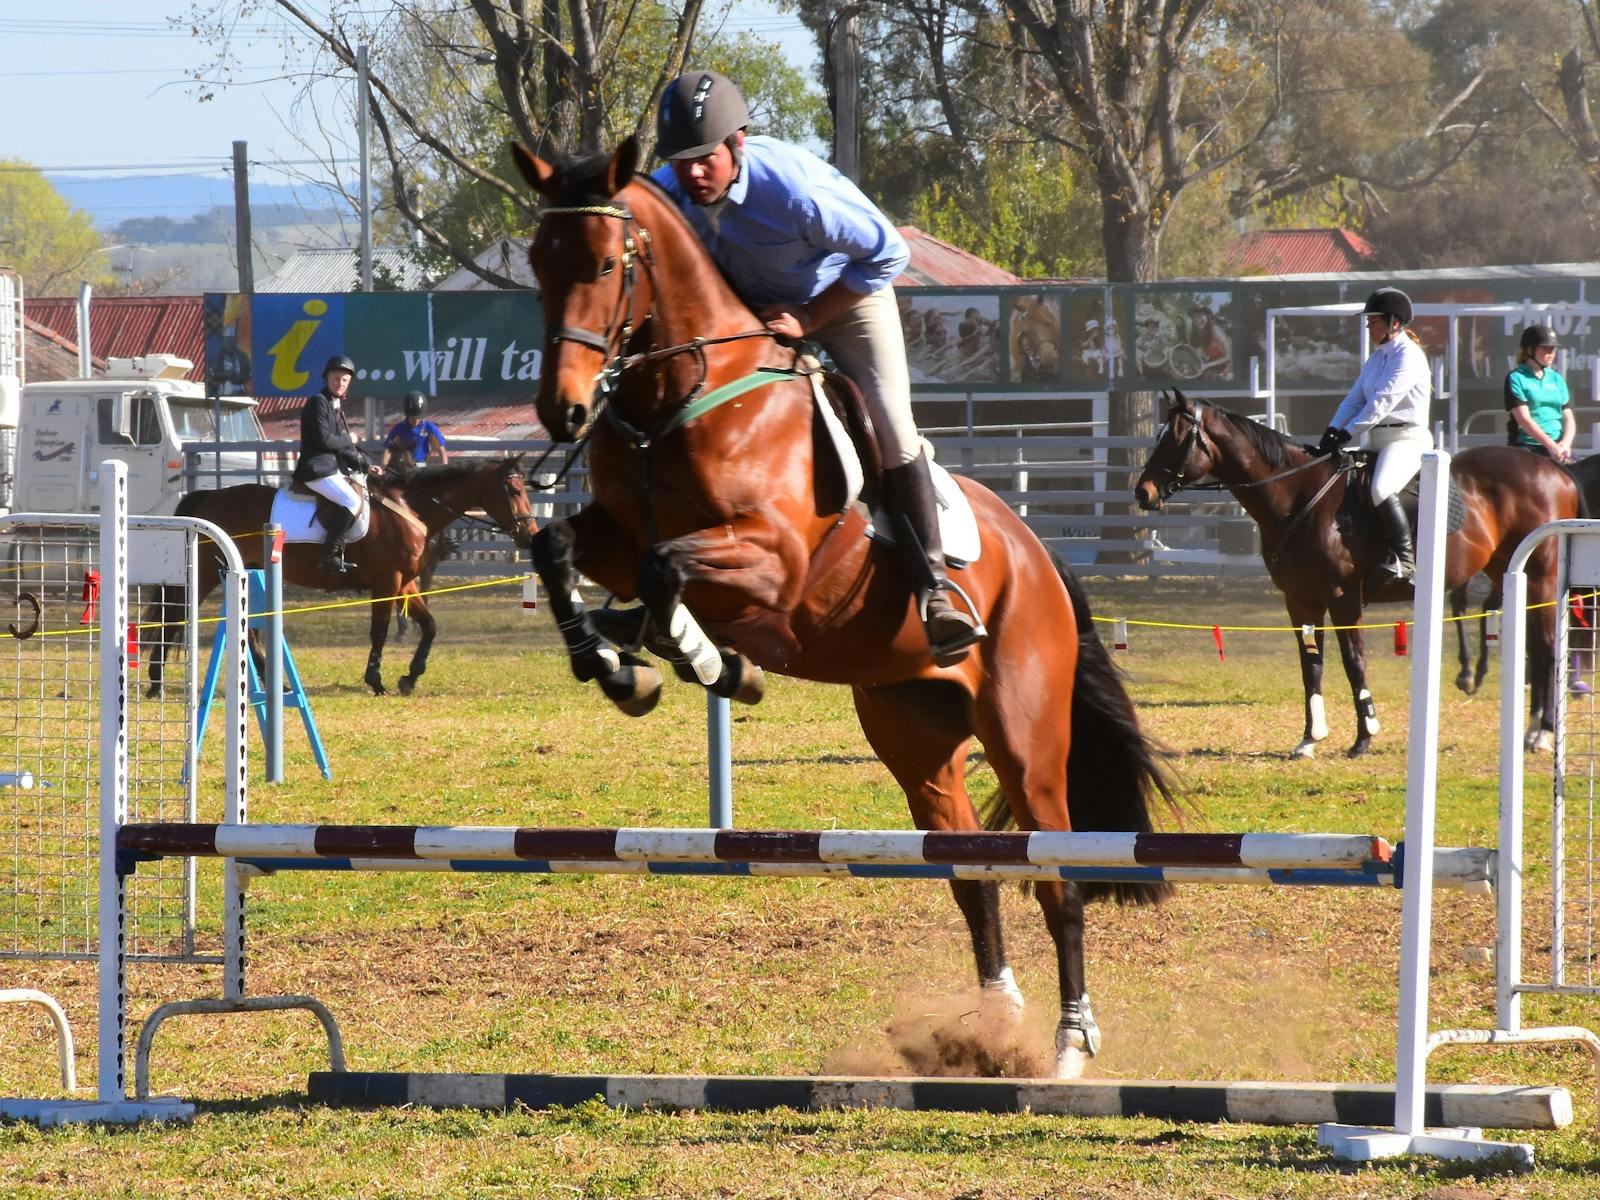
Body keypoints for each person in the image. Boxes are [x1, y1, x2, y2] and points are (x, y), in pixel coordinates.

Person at [651, 69, 982, 664]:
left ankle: (935, 588)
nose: (692, 172)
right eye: (680, 160)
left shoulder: (794, 191)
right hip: (754, 315)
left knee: (890, 423)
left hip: (844, 297)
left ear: (738, 144)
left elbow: (888, 253)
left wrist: (809, 317)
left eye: (704, 158)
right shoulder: (669, 189)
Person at [1316, 287, 1433, 583]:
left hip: (1406, 440)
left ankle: (1406, 562)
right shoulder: (1376, 359)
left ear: (1395, 322)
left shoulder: (1409, 357)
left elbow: (1381, 403)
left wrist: (1346, 433)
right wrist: (1331, 429)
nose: (1368, 327)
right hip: (1376, 439)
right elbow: (1354, 400)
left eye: (1374, 321)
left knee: (1380, 488)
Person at [292, 354, 382, 576]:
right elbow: (325, 440)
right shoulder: (317, 403)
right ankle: (329, 555)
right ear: (326, 378)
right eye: (336, 377)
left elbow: (342, 448)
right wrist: (349, 439)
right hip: (316, 470)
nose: (339, 382)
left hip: (331, 469)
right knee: (351, 499)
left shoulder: (335, 408)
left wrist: (366, 465)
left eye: (344, 379)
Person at [1505, 324, 1574, 463]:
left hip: (1559, 446)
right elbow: (1524, 419)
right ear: (1530, 350)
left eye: (1553, 349)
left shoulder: (1556, 378)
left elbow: (1569, 418)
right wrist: (1550, 446)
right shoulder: (1516, 378)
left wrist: (1565, 443)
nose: (1551, 353)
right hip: (1528, 446)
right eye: (1546, 348)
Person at [383, 392, 450, 470]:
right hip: (403, 467)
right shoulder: (398, 429)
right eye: (412, 417)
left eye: (418, 417)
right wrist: (384, 467)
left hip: (422, 466)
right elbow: (388, 450)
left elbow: (441, 450)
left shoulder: (430, 428)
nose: (415, 420)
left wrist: (445, 468)